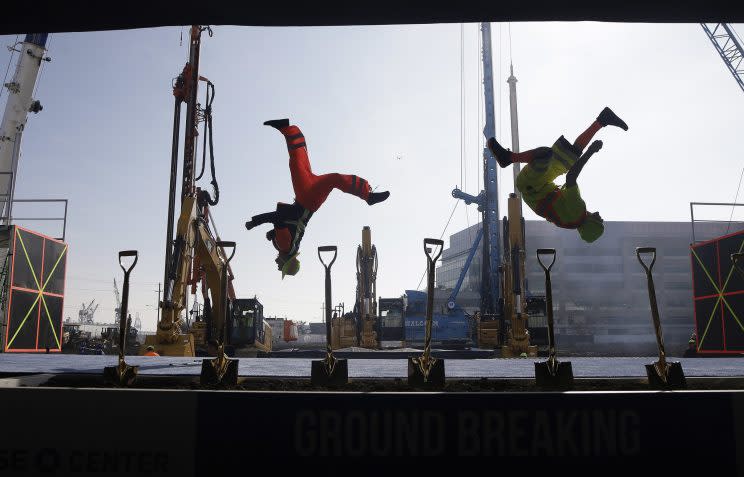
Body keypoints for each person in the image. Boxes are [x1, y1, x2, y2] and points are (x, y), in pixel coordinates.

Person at [246, 119, 390, 277]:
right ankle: (368, 195)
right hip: (308, 198)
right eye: (281, 267)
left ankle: (287, 129)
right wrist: (255, 222)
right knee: (332, 178)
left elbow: (285, 227)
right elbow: (277, 218)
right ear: (286, 260)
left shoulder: (286, 246)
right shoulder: (285, 246)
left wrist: (271, 234)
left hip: (306, 198)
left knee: (298, 163)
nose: (277, 266)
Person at [487, 107, 628, 243]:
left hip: (532, 187)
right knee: (571, 155)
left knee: (544, 155)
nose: (598, 215)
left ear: (590, 225)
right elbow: (570, 175)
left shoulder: (577, 212)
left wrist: (591, 151)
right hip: (542, 187)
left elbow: (571, 177)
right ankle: (602, 120)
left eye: (599, 220)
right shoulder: (571, 219)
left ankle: (509, 158)